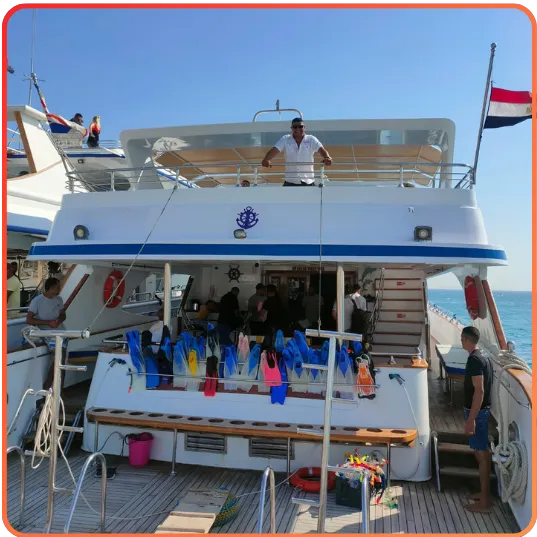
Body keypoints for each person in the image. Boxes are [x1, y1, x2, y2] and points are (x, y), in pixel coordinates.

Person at [461, 326, 493, 513]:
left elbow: (479, 390)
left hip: (478, 414)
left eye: (462, 339)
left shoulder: (474, 360)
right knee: (481, 454)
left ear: (466, 339)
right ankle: (484, 494)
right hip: (481, 412)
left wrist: (471, 419)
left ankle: (485, 503)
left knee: (482, 455)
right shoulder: (483, 357)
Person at [261, 118, 332, 186]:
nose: (298, 129)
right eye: (295, 127)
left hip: (308, 182)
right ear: (291, 128)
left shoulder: (311, 139)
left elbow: (321, 150)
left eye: (300, 126)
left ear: (304, 127)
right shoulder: (285, 139)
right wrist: (266, 159)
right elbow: (275, 149)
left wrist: (327, 157)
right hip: (290, 181)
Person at [25, 277, 68, 390]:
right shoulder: (37, 301)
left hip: (61, 331)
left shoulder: (59, 299)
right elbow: (29, 319)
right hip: (47, 332)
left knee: (61, 360)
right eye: (58, 286)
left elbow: (63, 315)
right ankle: (49, 386)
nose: (59, 288)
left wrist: (58, 321)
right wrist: (48, 323)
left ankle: (57, 388)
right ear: (51, 288)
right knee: (60, 359)